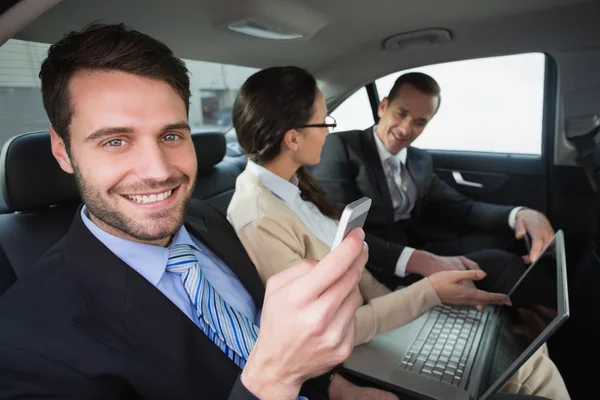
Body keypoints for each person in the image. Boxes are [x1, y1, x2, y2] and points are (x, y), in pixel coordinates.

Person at [0, 23, 400, 400]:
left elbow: (261, 329)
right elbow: (276, 364)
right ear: (61, 150)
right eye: (115, 141)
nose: (159, 171)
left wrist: (336, 388)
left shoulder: (206, 219)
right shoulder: (26, 343)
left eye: (171, 135)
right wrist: (274, 379)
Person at [226, 66, 570, 400]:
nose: (329, 131)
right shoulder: (259, 217)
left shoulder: (297, 186)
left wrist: (420, 300)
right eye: (324, 121)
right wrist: (427, 293)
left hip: (384, 313)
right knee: (527, 368)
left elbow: (364, 278)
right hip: (358, 347)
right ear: (293, 137)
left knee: (528, 356)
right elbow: (327, 331)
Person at [311, 72, 555, 292]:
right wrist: (418, 260)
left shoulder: (420, 160)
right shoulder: (342, 147)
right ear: (383, 106)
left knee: (510, 240)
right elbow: (336, 228)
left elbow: (462, 207)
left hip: (422, 245)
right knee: (504, 264)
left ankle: (526, 317)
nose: (406, 129)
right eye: (401, 113)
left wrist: (519, 214)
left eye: (419, 122)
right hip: (375, 262)